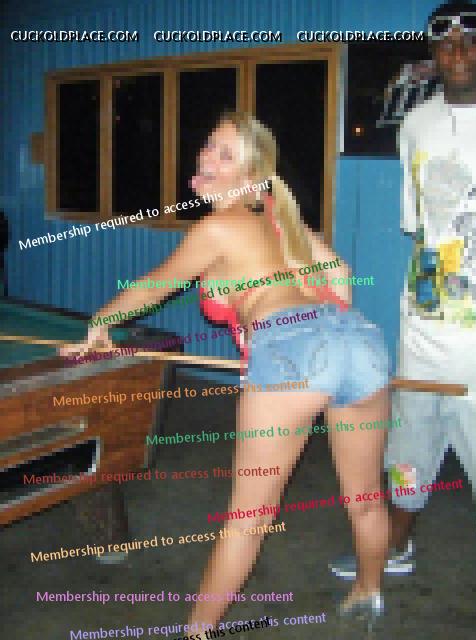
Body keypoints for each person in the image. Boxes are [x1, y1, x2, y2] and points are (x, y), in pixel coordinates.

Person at [61, 111, 391, 631]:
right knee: (366, 498)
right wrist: (321, 341)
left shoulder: (217, 227)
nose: (207, 158)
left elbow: (153, 286)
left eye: (225, 154)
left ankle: (197, 632)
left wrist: (102, 321)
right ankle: (369, 591)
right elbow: (341, 275)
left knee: (247, 521)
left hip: (292, 349)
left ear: (251, 176)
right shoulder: (285, 221)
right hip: (360, 342)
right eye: (209, 146)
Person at [330, 0, 476, 583]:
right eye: (445, 43)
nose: (457, 52)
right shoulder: (416, 124)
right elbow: (420, 228)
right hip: (424, 331)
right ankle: (395, 545)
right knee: (407, 455)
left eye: (470, 40)